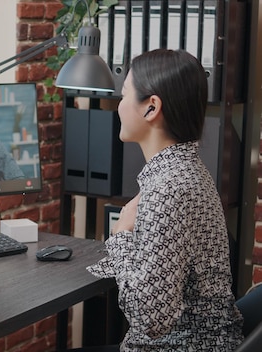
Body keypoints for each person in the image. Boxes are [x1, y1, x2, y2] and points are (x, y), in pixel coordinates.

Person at [87, 49, 243, 351]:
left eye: (124, 96)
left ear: (151, 108)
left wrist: (120, 237)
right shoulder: (188, 170)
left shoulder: (169, 188)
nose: (118, 107)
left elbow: (150, 320)